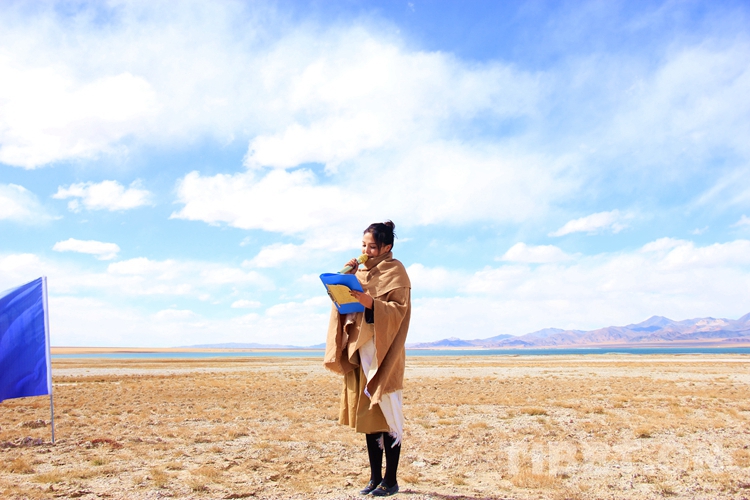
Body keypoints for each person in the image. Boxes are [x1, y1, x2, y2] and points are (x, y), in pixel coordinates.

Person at [324, 221, 412, 497]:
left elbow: (399, 311)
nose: (366, 251)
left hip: (384, 353)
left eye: (372, 246)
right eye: (363, 245)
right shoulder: (359, 272)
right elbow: (344, 306)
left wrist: (371, 303)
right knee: (370, 418)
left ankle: (391, 480)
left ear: (386, 247)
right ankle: (375, 478)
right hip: (361, 350)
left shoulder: (396, 272)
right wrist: (342, 279)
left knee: (389, 416)